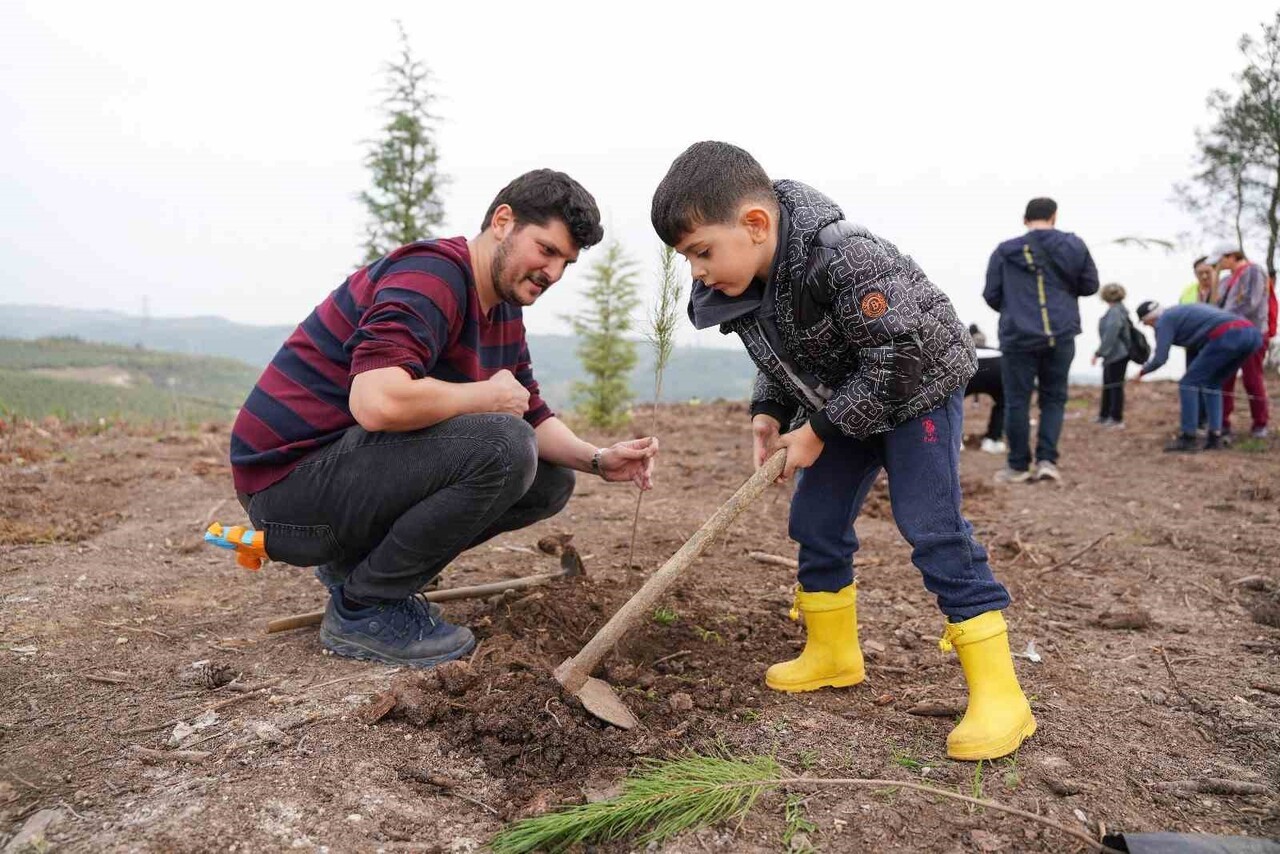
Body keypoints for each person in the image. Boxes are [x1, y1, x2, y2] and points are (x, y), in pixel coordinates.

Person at [650, 141, 1034, 761]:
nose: (696, 271)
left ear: (755, 224)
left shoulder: (845, 255)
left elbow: (900, 355)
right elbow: (783, 356)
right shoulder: (752, 277)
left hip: (917, 390)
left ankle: (1002, 695)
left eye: (700, 252)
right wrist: (768, 412)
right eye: (686, 258)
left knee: (930, 525)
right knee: (815, 518)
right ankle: (833, 653)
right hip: (848, 399)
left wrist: (818, 430)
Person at [229, 170, 660, 668]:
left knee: (549, 478)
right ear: (503, 222)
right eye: (546, 250)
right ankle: (365, 608)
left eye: (566, 262)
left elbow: (530, 412)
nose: (554, 273)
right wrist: (482, 396)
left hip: (337, 482)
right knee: (504, 446)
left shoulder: (501, 308)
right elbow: (376, 402)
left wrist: (600, 460)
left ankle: (355, 570)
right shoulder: (430, 276)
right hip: (286, 489)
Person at [984, 197, 1100, 483]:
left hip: (1017, 335)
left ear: (1025, 219)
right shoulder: (1074, 245)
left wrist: (1016, 309)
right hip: (1060, 333)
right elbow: (1090, 285)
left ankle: (1017, 466)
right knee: (1054, 399)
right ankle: (1047, 461)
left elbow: (991, 294)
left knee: (1017, 401)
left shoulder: (1004, 251)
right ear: (1054, 216)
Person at [1133, 299, 1262, 452]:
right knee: (1212, 384)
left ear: (1150, 318)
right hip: (1251, 334)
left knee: (1187, 384)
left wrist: (1142, 372)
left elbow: (1161, 358)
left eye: (1145, 323)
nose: (1148, 327)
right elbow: (1194, 353)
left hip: (1228, 334)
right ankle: (1215, 436)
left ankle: (1188, 437)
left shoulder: (1164, 321)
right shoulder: (1181, 314)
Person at [1206, 243, 1271, 438]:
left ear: (1231, 256)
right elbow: (1215, 303)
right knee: (1225, 379)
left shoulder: (1254, 271)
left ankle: (1260, 423)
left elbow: (1250, 303)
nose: (1219, 265)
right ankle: (1222, 422)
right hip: (1229, 335)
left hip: (1252, 333)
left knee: (1252, 379)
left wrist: (1222, 318)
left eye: (1221, 261)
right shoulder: (1226, 280)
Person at [1179, 256, 1219, 430]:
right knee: (1192, 381)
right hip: (1193, 343)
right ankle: (1196, 419)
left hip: (1215, 344)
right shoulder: (1188, 291)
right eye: (1199, 273)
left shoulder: (1222, 290)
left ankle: (1213, 421)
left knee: (1211, 383)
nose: (1204, 277)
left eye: (1207, 272)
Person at [1091, 283, 1131, 428]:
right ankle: (1104, 415)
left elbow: (1111, 334)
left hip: (1117, 355)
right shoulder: (1118, 310)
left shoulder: (1115, 312)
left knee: (1115, 386)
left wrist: (1099, 352)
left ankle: (1116, 418)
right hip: (1113, 355)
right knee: (1108, 384)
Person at [966, 344, 1007, 453]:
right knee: (1003, 402)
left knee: (950, 403)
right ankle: (993, 440)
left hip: (966, 363)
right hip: (997, 365)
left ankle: (953, 440)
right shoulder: (993, 349)